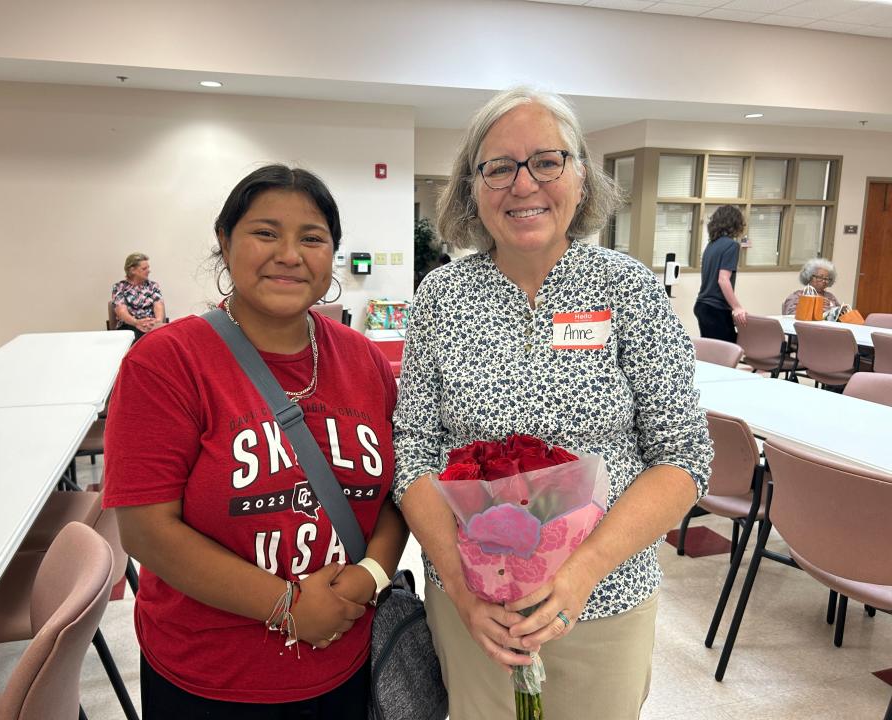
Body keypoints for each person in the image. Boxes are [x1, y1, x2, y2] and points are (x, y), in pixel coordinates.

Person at [392, 88, 712, 720]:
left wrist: (582, 572)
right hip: (475, 609)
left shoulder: (629, 290)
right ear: (472, 188)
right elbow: (413, 452)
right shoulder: (441, 297)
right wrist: (461, 589)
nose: (523, 184)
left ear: (581, 176)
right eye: (499, 167)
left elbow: (682, 457)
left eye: (547, 161)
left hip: (605, 599)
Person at [103, 165, 407, 718]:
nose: (289, 254)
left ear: (331, 255)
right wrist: (288, 607)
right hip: (211, 675)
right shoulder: (166, 362)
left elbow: (395, 494)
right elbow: (147, 531)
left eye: (312, 238)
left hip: (345, 658)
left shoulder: (363, 361)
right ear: (225, 241)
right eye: (265, 233)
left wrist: (370, 576)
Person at [694, 205, 748, 342]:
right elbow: (723, 280)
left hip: (702, 305)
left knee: (712, 352)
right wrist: (737, 307)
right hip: (716, 308)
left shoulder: (711, 245)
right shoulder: (732, 245)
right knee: (725, 354)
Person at [112, 252, 166, 340]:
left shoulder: (153, 286)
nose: (149, 270)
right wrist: (136, 322)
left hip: (152, 325)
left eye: (148, 268)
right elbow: (121, 311)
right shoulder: (119, 287)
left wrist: (158, 322)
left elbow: (158, 305)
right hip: (129, 326)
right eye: (144, 268)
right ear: (132, 270)